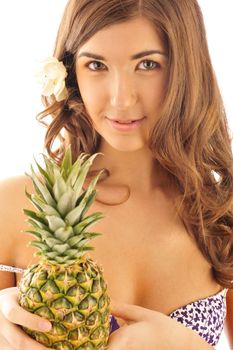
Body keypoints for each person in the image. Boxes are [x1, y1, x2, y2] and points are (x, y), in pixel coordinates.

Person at [0, 0, 232, 349]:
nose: (121, 99)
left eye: (148, 64)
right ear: (69, 71)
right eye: (96, 64)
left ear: (186, 70)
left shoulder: (221, 216)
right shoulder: (13, 208)